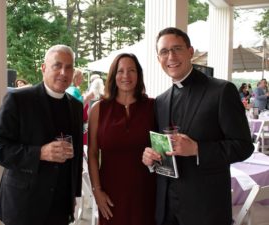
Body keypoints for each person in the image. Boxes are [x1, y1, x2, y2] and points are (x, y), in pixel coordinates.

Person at [142, 27, 254, 225]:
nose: (171, 56)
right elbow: (164, 148)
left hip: (206, 209)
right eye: (164, 51)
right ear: (158, 57)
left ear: (190, 52)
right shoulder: (160, 101)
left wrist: (197, 149)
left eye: (177, 49)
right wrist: (152, 158)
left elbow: (244, 146)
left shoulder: (221, 91)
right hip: (167, 210)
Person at [0, 44, 84, 225]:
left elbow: (76, 155)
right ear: (44, 68)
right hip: (24, 204)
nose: (64, 72)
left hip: (60, 204)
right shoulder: (19, 100)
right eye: (57, 65)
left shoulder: (76, 106)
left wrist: (74, 195)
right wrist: (40, 152)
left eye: (69, 67)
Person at [87, 53, 156, 225]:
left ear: (139, 75)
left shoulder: (153, 107)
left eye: (131, 70)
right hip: (110, 193)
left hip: (146, 191)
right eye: (121, 71)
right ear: (113, 75)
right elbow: (93, 153)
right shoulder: (98, 109)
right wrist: (97, 190)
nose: (126, 76)